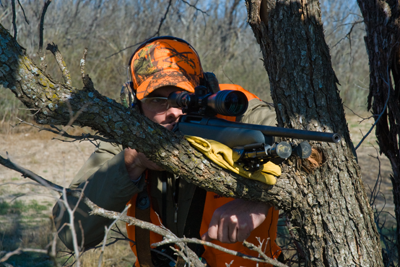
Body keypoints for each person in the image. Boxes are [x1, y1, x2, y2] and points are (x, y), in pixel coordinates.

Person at [53, 36, 282, 267]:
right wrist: (130, 164)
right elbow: (70, 232)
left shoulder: (236, 112)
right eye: (157, 100)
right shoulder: (127, 136)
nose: (173, 111)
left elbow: (313, 153)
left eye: (183, 97)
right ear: (136, 104)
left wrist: (257, 199)